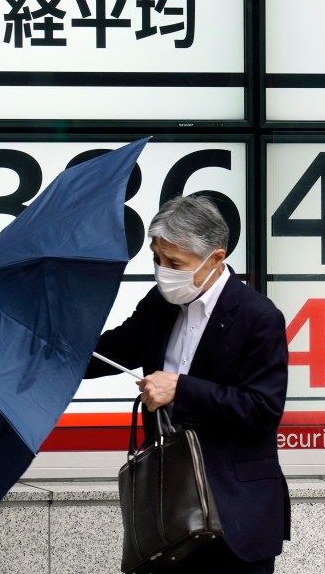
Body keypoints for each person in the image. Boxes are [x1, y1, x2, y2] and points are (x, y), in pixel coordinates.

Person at [85, 195, 290, 573]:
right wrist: (49, 346)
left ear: (215, 258)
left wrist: (181, 388)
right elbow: (110, 350)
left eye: (175, 263)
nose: (163, 272)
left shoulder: (258, 317)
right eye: (157, 259)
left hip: (236, 514)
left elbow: (263, 410)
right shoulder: (159, 303)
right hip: (169, 510)